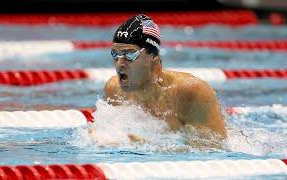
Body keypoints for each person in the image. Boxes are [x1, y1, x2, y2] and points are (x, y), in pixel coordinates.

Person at [93, 14, 227, 145]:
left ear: (153, 59)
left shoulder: (190, 92)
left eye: (129, 55)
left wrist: (153, 147)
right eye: (115, 54)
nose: (119, 63)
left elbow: (216, 148)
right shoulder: (114, 90)